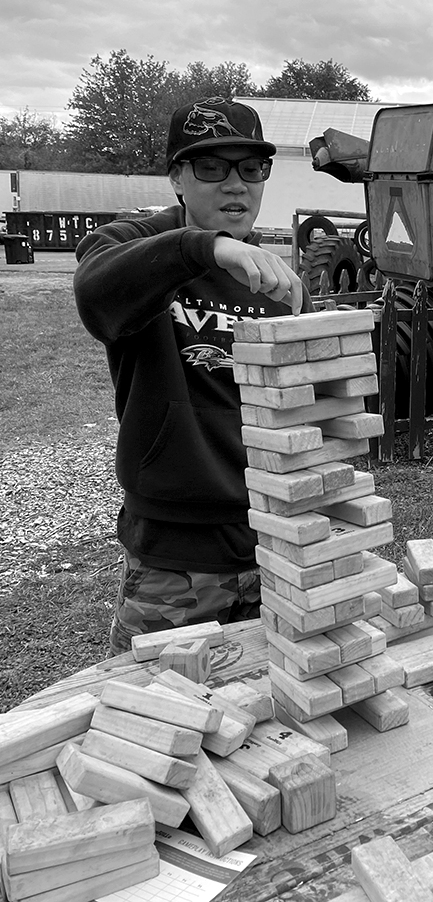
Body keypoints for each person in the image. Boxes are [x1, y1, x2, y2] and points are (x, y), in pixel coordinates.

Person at [75, 96, 312, 656]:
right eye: (211, 167)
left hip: (273, 544)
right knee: (157, 715)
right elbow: (97, 294)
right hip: (175, 559)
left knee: (267, 713)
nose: (236, 185)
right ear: (178, 177)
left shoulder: (273, 278)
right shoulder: (131, 247)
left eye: (251, 168)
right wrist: (206, 248)